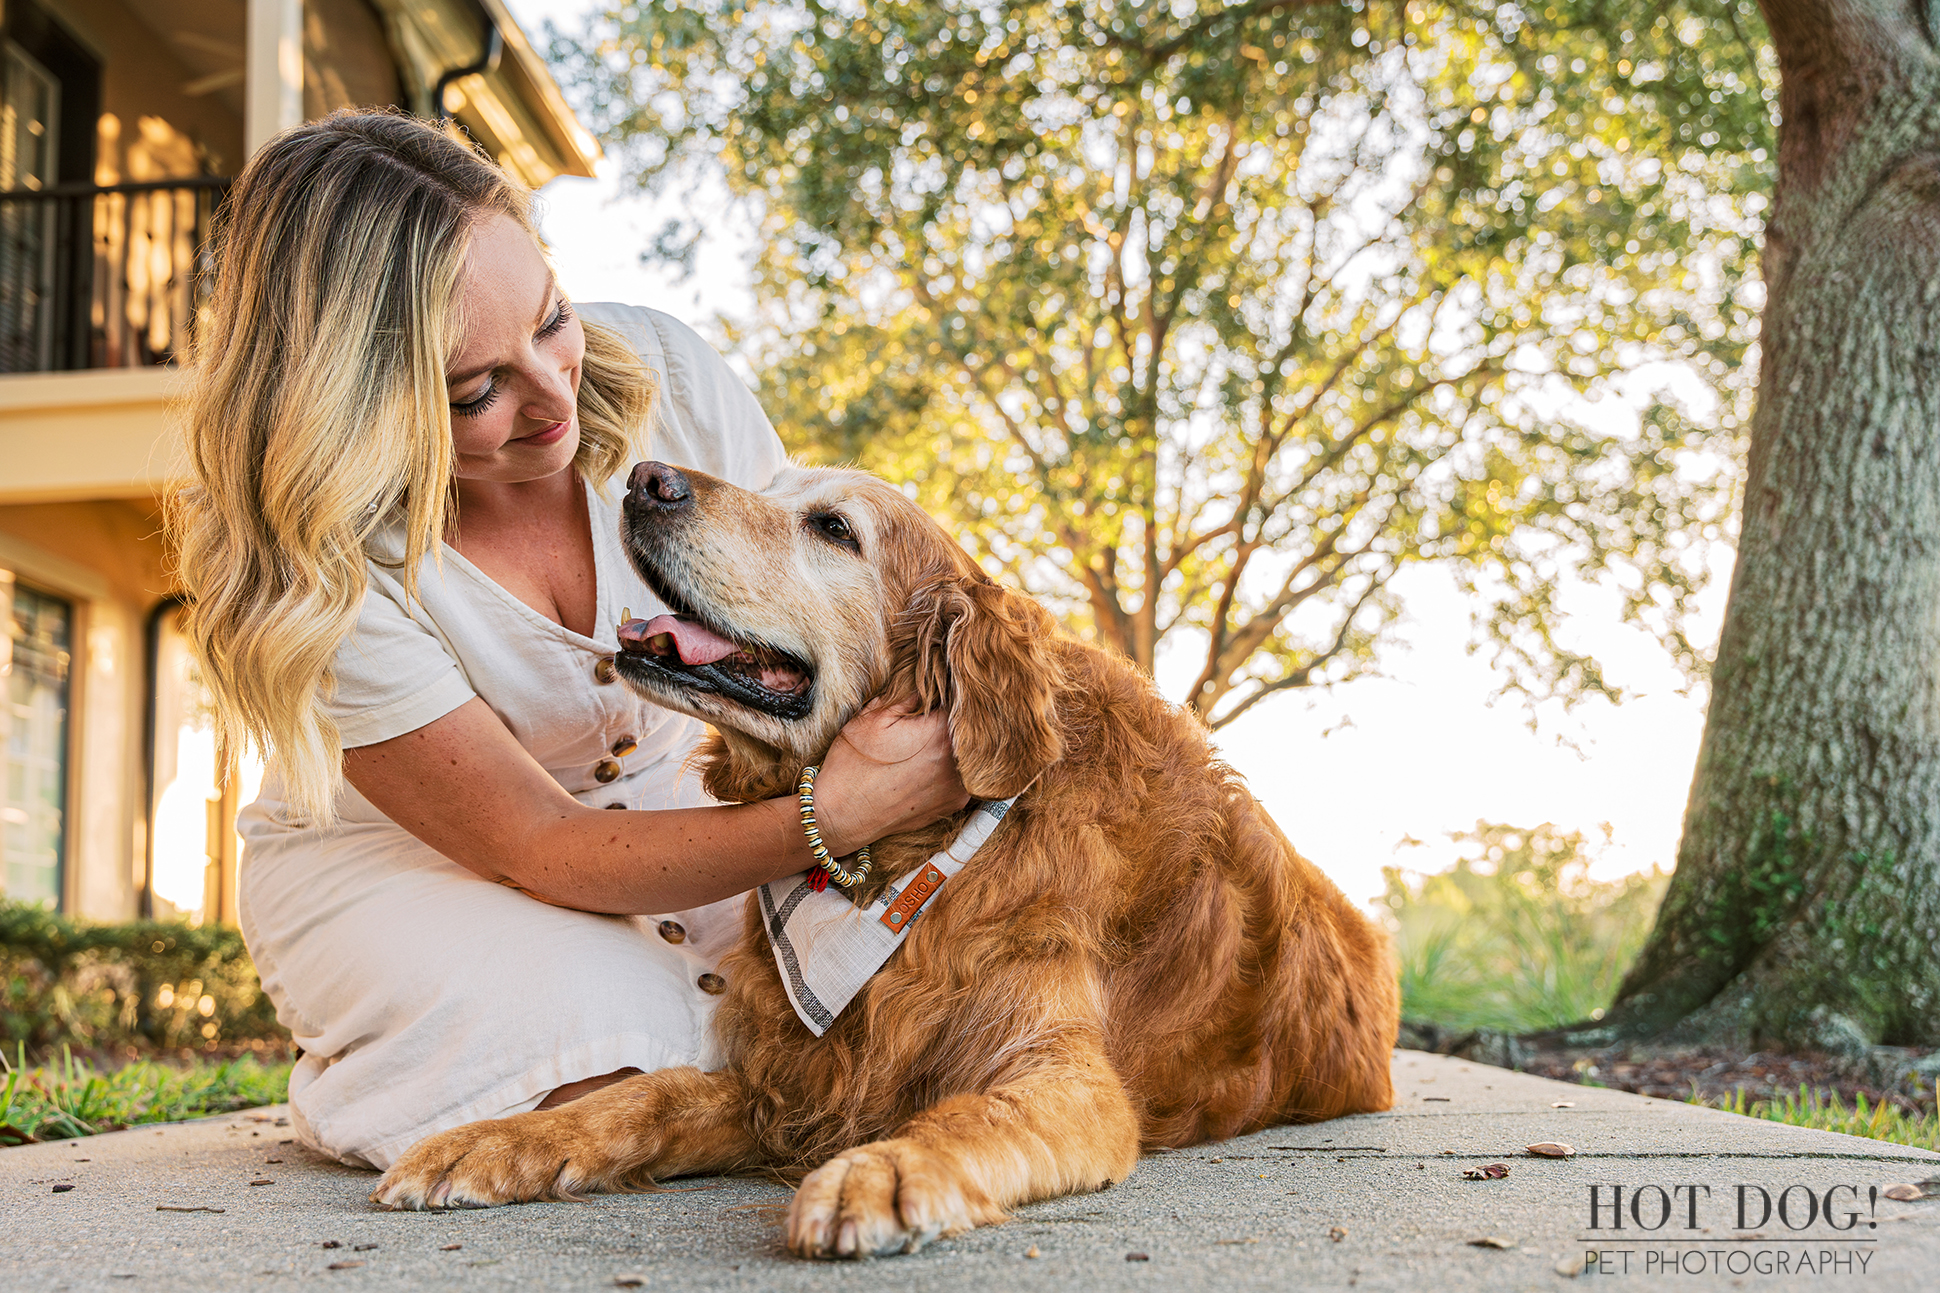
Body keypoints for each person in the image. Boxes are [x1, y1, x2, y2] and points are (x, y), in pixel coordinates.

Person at [170, 111, 968, 1171]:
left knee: (882, 1035)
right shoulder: (311, 566)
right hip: (421, 860)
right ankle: (380, 1051)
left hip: (704, 805)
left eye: (549, 321)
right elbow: (540, 845)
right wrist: (833, 821)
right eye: (474, 391)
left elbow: (794, 622)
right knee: (622, 1064)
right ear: (349, 403)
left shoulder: (669, 374)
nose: (556, 401)